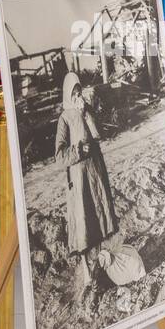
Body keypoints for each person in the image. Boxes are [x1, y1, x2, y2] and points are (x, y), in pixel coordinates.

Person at [54, 72, 117, 268]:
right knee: (84, 218)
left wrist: (87, 114)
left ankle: (103, 260)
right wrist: (79, 150)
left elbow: (98, 135)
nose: (77, 95)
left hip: (95, 172)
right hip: (79, 176)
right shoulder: (64, 118)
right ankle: (85, 269)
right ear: (67, 94)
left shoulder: (86, 109)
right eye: (73, 92)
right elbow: (59, 156)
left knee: (100, 211)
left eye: (79, 91)